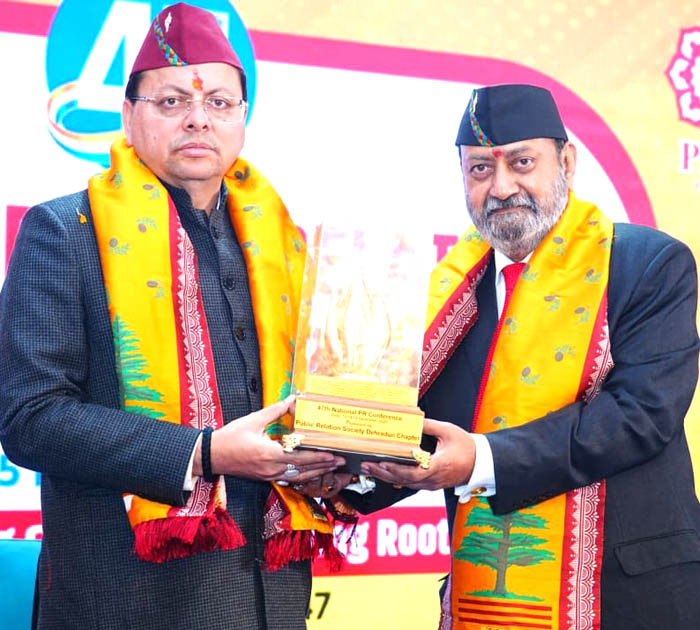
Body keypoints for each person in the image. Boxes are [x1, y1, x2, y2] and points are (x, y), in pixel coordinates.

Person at [0, 4, 348, 629]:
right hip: (126, 601)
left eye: (219, 102)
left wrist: (348, 456)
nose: (198, 118)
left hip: (272, 600)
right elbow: (31, 418)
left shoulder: (284, 248)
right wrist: (204, 452)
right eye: (171, 102)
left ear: (242, 118)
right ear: (128, 115)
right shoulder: (65, 232)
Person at [354, 84, 700, 629]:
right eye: (480, 169)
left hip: (630, 598)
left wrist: (480, 460)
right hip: (488, 600)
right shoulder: (445, 298)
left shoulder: (647, 265)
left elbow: (640, 416)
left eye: (521, 163)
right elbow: (420, 433)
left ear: (567, 163)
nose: (501, 187)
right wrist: (343, 465)